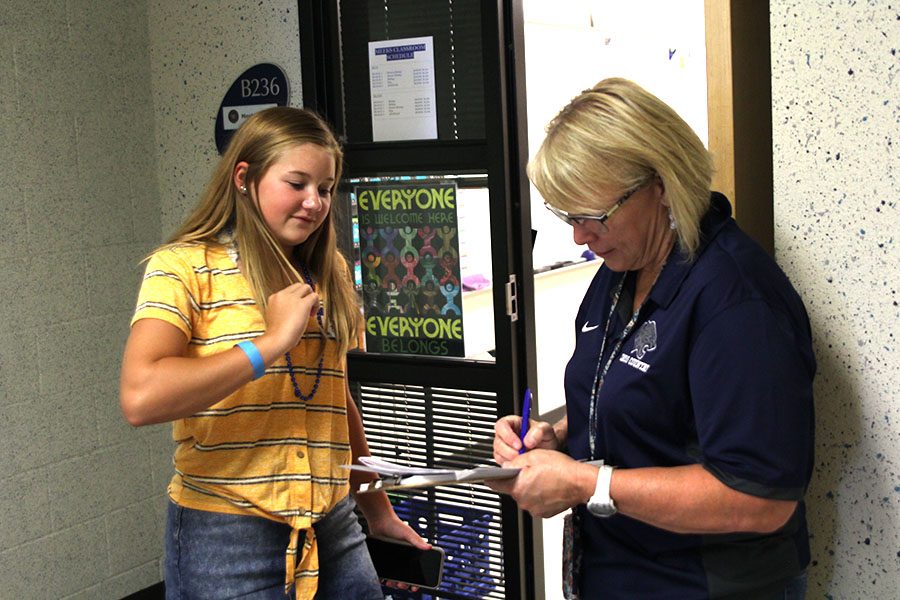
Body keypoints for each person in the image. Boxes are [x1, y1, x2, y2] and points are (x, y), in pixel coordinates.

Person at [491, 78, 815, 599]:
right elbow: (644, 395)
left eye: (592, 216)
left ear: (659, 184)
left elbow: (760, 496)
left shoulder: (737, 301)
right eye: (566, 215)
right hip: (619, 570)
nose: (579, 236)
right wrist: (560, 438)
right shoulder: (622, 268)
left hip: (705, 583)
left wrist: (585, 483)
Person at [119, 107, 427, 599]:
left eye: (325, 189)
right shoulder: (182, 266)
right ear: (245, 178)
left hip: (333, 527)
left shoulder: (332, 273)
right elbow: (141, 396)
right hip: (226, 535)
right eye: (297, 183)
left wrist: (378, 511)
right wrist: (269, 343)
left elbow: (335, 400)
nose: (314, 202)